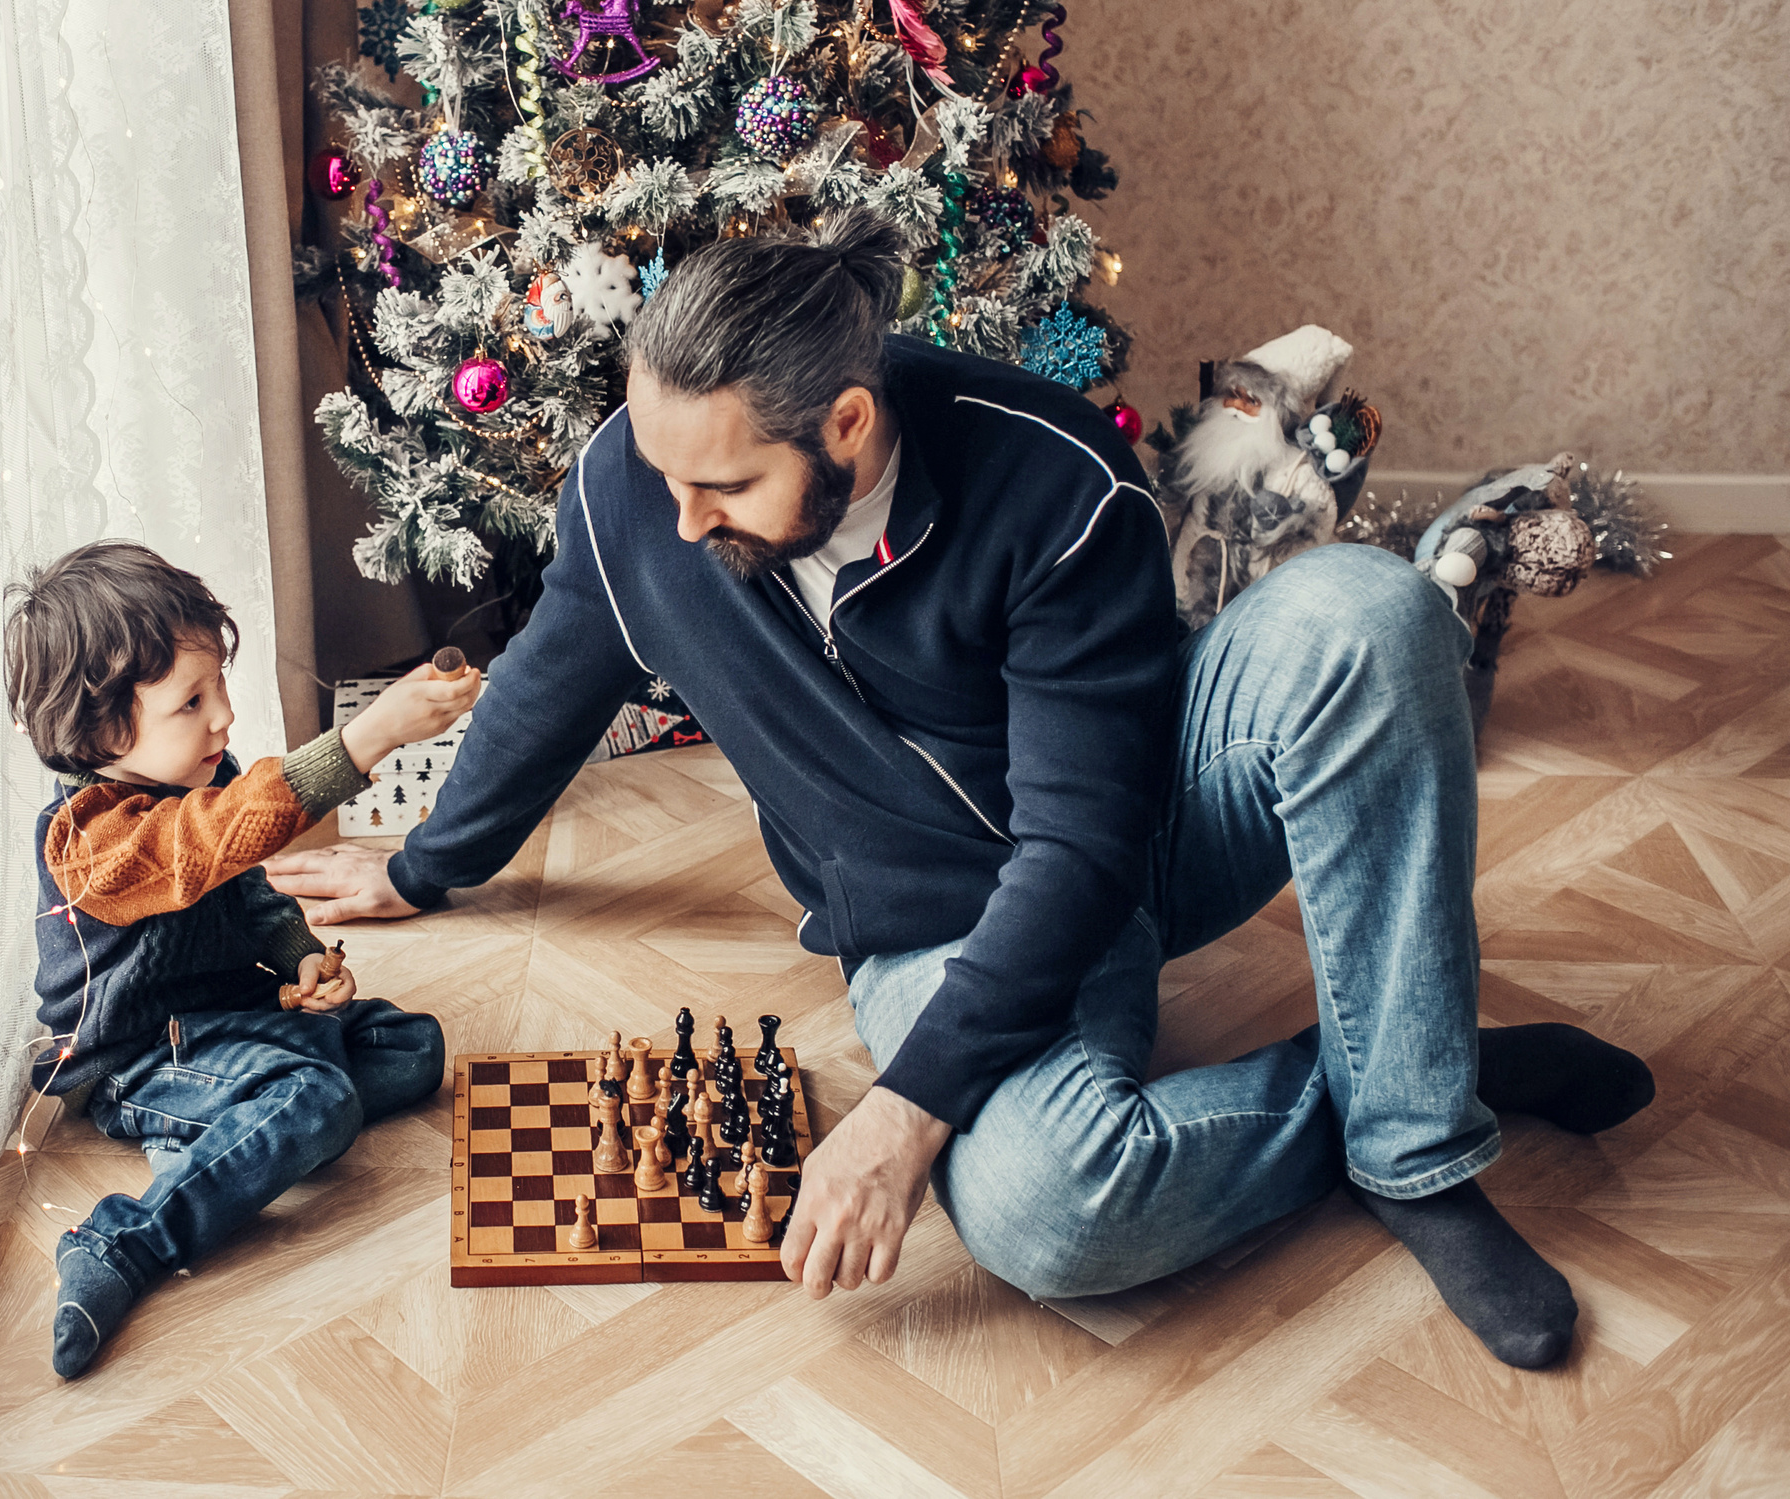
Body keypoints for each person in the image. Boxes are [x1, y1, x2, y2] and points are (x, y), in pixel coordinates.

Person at [269, 212, 1655, 1370]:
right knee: (1051, 1213)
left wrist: (902, 1112)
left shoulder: (1048, 474)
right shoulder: (645, 491)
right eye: (661, 470)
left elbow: (1083, 842)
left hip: (1143, 823)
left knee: (1372, 612)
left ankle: (1417, 1146)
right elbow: (553, 673)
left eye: (727, 484)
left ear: (848, 424)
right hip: (926, 914)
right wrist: (424, 864)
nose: (680, 519)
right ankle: (1417, 1062)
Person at [3, 542, 475, 1378]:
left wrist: (298, 957)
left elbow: (247, 889)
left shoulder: (190, 765)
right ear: (104, 729)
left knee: (414, 1048)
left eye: (219, 683)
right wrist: (366, 739)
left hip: (229, 1015)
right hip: (140, 1056)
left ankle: (239, 1128)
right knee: (321, 1100)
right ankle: (122, 1243)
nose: (223, 716)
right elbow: (211, 841)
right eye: (192, 699)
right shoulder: (88, 838)